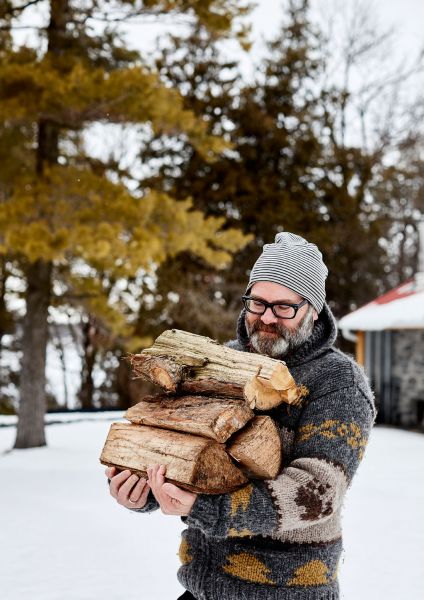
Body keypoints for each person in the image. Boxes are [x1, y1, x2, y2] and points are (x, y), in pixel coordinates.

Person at [105, 232, 376, 600]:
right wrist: (145, 493)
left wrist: (207, 509)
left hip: (286, 593)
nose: (266, 317)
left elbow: (317, 492)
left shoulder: (339, 383)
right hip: (202, 587)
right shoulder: (219, 363)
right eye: (257, 303)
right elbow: (189, 454)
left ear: (313, 310)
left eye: (284, 307)